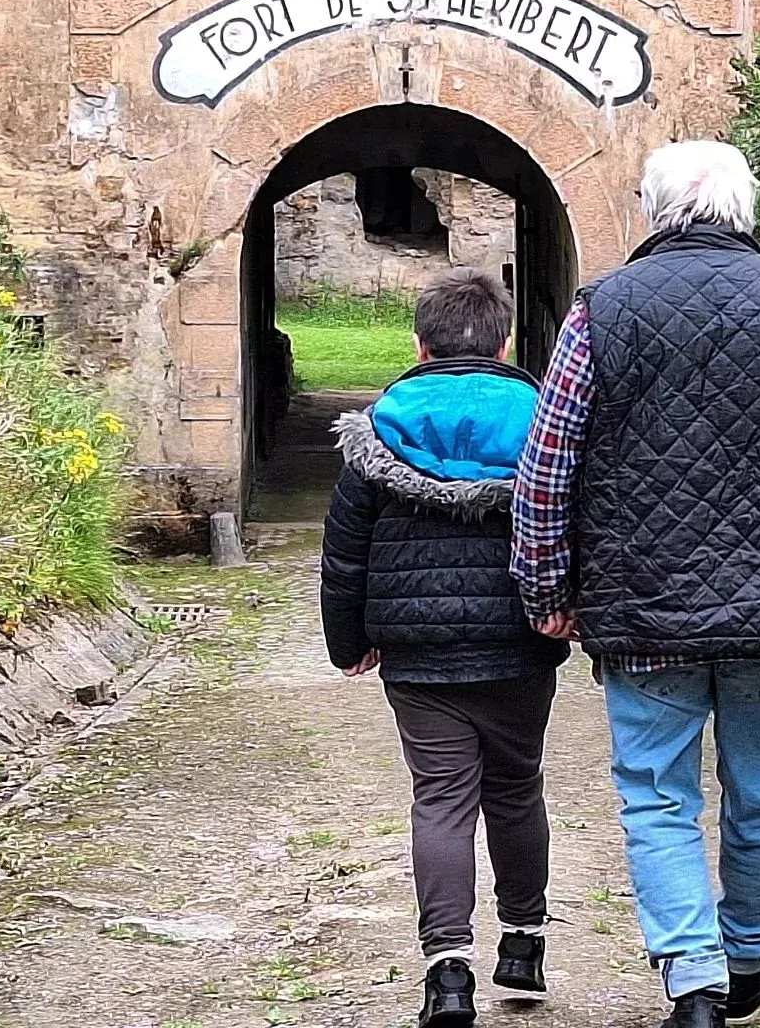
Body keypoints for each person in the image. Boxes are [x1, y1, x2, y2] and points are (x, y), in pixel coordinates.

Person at [511, 140, 760, 1028]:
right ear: (744, 206)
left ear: (654, 209)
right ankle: (749, 950)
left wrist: (546, 590)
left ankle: (692, 974)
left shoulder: (601, 310)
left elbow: (547, 469)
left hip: (641, 604)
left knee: (656, 793)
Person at [320, 267, 569, 1028]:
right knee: (516, 788)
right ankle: (523, 946)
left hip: (418, 651)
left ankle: (448, 973)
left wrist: (347, 642)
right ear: (505, 343)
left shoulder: (380, 430)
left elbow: (345, 554)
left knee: (441, 798)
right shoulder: (543, 423)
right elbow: (575, 527)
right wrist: (575, 616)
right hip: (519, 642)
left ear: (419, 344)